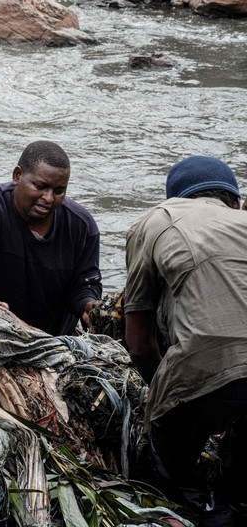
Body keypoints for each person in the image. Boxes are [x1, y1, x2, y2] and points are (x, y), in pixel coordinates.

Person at [124, 156, 247, 525]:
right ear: (235, 202)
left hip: (203, 367)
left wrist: (162, 397)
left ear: (173, 197)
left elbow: (138, 342)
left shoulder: (154, 220)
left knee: (164, 480)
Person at [0, 140, 101, 335]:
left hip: (54, 341)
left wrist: (88, 305)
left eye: (59, 191)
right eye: (40, 186)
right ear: (17, 176)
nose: (48, 198)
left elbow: (84, 285)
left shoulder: (81, 225)